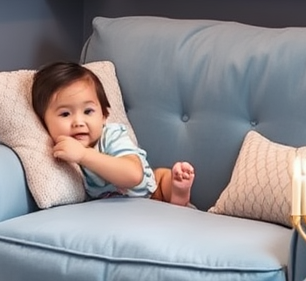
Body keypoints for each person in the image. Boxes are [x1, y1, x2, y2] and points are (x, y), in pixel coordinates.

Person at [31, 61, 194, 206]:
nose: (78, 122)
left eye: (88, 111)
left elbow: (133, 175)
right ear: (43, 122)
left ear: (104, 116)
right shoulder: (60, 148)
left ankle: (178, 194)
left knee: (162, 176)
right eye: (65, 114)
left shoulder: (110, 135)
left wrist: (83, 155)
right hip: (118, 208)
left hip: (151, 193)